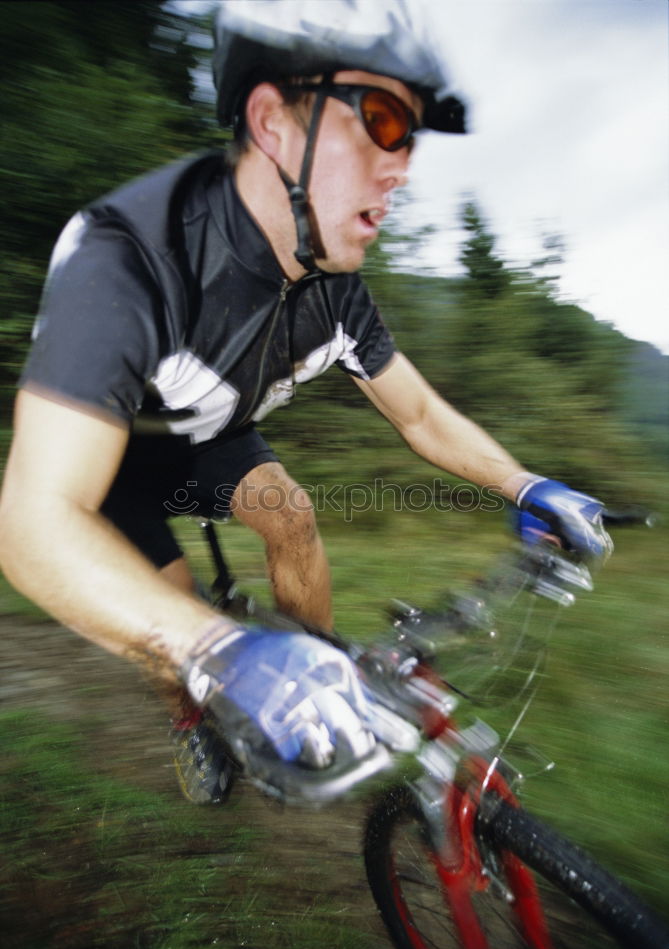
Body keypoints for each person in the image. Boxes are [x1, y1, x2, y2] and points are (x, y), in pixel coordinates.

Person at [0, 0, 612, 804]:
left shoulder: (335, 292)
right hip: (109, 465)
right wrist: (215, 648)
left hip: (208, 435)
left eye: (413, 135)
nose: (402, 165)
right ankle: (195, 723)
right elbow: (31, 525)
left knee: (290, 515)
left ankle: (311, 674)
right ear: (272, 122)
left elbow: (421, 415)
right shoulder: (129, 256)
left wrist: (524, 485)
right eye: (383, 120)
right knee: (169, 618)